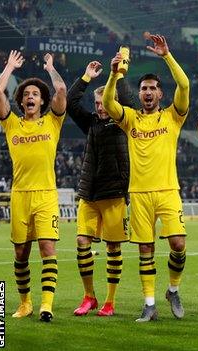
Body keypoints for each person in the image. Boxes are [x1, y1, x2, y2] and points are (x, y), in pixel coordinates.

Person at [103, 34, 190, 322]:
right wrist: (114, 75)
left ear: (161, 94)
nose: (148, 92)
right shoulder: (130, 119)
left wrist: (166, 55)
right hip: (139, 193)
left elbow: (185, 84)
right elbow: (107, 101)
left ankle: (173, 290)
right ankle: (149, 303)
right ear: (139, 94)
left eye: (153, 88)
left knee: (178, 244)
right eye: (144, 89)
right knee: (145, 249)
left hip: (168, 190)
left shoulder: (173, 116)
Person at [0, 50, 67, 322]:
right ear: (22, 101)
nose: (30, 97)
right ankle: (25, 303)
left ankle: (46, 305)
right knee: (20, 254)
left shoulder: (53, 121)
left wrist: (49, 67)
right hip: (20, 195)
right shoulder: (12, 124)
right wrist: (9, 68)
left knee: (48, 248)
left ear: (42, 100)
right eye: (26, 94)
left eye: (35, 94)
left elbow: (60, 89)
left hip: (46, 195)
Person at [67, 60, 134, 317]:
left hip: (115, 194)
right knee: (82, 243)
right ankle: (89, 296)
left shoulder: (124, 121)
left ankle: (109, 300)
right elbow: (72, 103)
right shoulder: (92, 122)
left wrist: (117, 75)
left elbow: (128, 100)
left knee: (113, 249)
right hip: (88, 193)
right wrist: (86, 76)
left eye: (103, 102)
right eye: (96, 104)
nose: (99, 107)